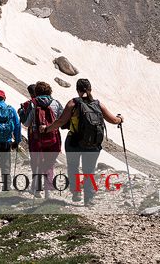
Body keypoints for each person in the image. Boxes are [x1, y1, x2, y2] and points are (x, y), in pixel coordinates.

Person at [43, 78, 123, 206]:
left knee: (73, 167)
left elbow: (60, 122)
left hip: (74, 141)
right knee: (89, 170)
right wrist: (120, 119)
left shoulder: (73, 104)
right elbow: (113, 120)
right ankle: (89, 199)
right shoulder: (98, 104)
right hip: (93, 143)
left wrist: (46, 129)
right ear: (90, 89)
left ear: (77, 90)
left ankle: (76, 193)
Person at [26, 81, 63, 199]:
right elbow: (61, 121)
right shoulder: (56, 103)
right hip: (53, 138)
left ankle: (36, 190)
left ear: (36, 92)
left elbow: (27, 123)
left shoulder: (32, 103)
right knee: (49, 164)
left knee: (36, 163)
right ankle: (48, 192)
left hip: (36, 139)